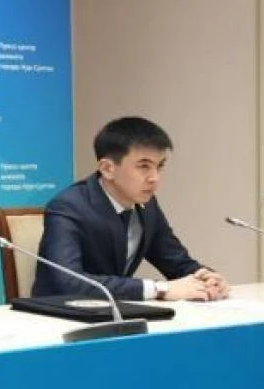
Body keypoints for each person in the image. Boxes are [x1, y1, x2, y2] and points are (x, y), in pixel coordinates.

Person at [33, 116, 229, 301]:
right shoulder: (69, 207)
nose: (154, 178)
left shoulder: (147, 206)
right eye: (144, 166)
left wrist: (207, 278)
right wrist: (160, 289)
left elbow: (176, 262)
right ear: (107, 169)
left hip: (116, 312)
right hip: (59, 315)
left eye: (160, 166)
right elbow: (69, 282)